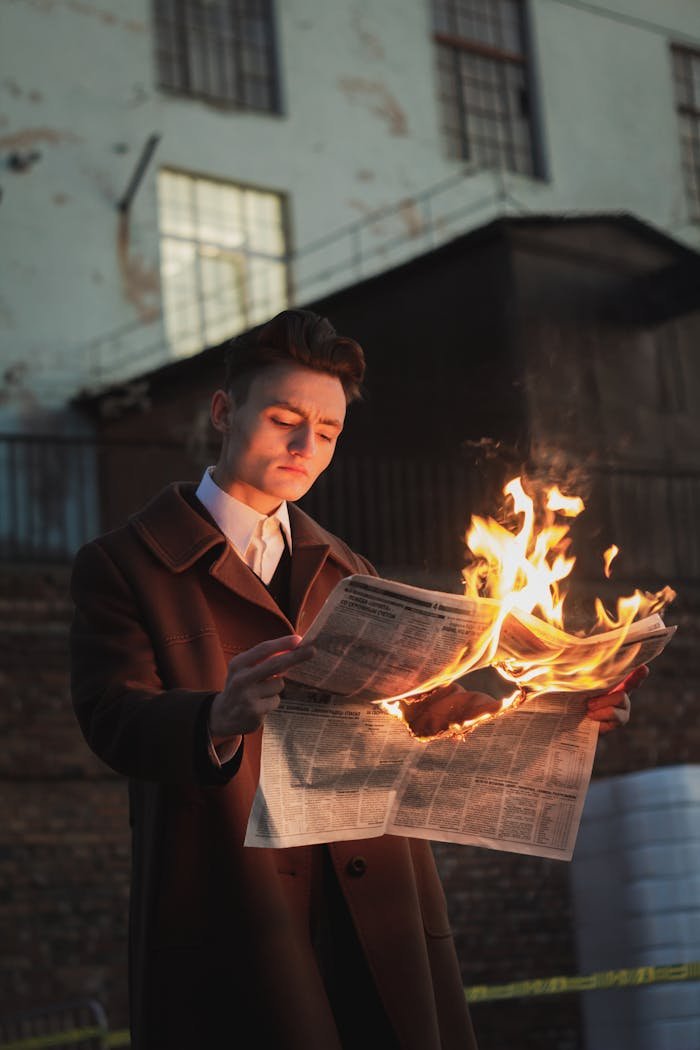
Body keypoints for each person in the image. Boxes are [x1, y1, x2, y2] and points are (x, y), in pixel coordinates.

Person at [70, 308, 642, 1050]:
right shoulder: (124, 563)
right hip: (235, 892)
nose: (307, 446)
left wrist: (559, 713)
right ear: (223, 411)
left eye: (330, 432)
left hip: (376, 884)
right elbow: (111, 716)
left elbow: (429, 709)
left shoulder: (350, 568)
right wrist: (216, 714)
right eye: (284, 419)